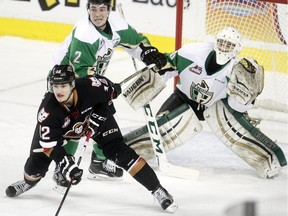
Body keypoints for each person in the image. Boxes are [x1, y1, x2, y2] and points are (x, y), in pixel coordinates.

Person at [5, 65, 178, 213]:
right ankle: (28, 182)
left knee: (121, 153)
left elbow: (109, 96)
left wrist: (100, 115)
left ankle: (157, 190)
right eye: (55, 86)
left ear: (72, 84)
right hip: (61, 131)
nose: (59, 91)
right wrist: (66, 163)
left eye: (63, 85)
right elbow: (51, 146)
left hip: (92, 119)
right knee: (36, 165)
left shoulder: (93, 86)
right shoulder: (48, 112)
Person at [50, 0, 167, 184]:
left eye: (102, 9)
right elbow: (81, 76)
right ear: (87, 10)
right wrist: (104, 91)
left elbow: (137, 43)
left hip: (91, 80)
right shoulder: (85, 35)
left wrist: (148, 53)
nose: (97, 14)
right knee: (76, 122)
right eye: (93, 9)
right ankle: (63, 168)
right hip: (65, 82)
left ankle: (98, 163)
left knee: (106, 119)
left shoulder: (117, 24)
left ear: (109, 11)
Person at [150, 27, 284, 178]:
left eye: (229, 45)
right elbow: (167, 67)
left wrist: (248, 98)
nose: (224, 48)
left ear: (237, 49)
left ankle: (266, 159)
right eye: (221, 43)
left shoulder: (237, 70)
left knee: (238, 131)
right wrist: (151, 80)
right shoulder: (193, 52)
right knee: (157, 129)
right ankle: (135, 152)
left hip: (215, 106)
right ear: (215, 42)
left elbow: (236, 105)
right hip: (183, 97)